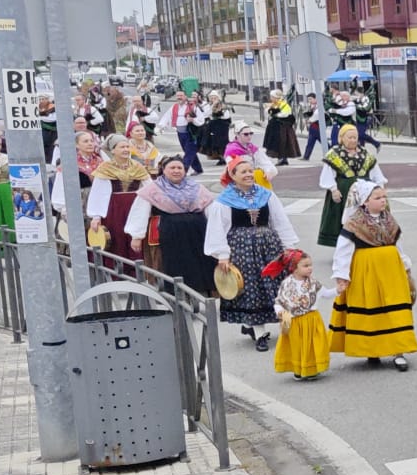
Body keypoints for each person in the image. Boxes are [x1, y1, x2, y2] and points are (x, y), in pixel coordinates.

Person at [204, 155, 300, 351]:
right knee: (251, 287)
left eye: (250, 171)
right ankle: (259, 332)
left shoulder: (267, 195)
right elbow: (217, 228)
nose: (249, 175)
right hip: (242, 248)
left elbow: (279, 220)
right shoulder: (223, 201)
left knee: (273, 285)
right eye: (243, 172)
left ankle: (257, 325)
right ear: (232, 175)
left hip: (269, 246)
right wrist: (222, 255)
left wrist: (288, 246)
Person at [329, 180, 417, 373]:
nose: (383, 200)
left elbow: (397, 244)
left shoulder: (389, 220)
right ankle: (373, 349)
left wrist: (405, 264)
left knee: (395, 307)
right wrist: (341, 274)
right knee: (371, 307)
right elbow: (343, 250)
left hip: (392, 271)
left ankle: (398, 350)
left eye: (384, 196)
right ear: (365, 202)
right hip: (366, 270)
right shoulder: (354, 223)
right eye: (377, 198)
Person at [125, 156, 214, 294]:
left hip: (197, 232)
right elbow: (140, 211)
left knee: (198, 263)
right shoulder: (152, 189)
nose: (176, 171)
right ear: (164, 170)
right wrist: (137, 235)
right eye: (172, 168)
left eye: (180, 168)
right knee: (172, 264)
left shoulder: (196, 187)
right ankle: (174, 294)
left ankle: (198, 291)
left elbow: (209, 208)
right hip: (169, 232)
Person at [85, 135, 152, 264]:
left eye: (127, 146)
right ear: (113, 150)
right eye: (122, 147)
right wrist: (96, 216)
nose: (126, 149)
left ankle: (137, 271)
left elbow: (149, 187)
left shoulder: (137, 167)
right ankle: (118, 272)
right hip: (114, 210)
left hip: (135, 207)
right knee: (117, 239)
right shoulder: (105, 168)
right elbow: (98, 193)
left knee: (135, 238)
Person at [315, 124, 383, 249]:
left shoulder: (365, 153)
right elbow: (328, 174)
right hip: (344, 193)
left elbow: (375, 172)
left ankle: (366, 242)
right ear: (342, 138)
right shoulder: (334, 154)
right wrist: (334, 190)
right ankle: (345, 247)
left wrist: (380, 187)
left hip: (365, 193)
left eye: (355, 137)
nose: (353, 140)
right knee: (344, 219)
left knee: (366, 217)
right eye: (350, 137)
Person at [269, 248, 330, 382]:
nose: (310, 268)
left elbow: (325, 293)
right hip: (294, 321)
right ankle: (298, 369)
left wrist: (338, 290)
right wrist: (280, 311)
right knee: (296, 346)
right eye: (306, 266)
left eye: (310, 265)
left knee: (311, 345)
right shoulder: (286, 284)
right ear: (294, 268)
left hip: (311, 319)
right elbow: (279, 301)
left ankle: (311, 369)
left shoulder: (313, 283)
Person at [163, 91, 203, 173]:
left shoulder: (193, 106)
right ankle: (198, 169)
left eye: (181, 95)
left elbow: (201, 120)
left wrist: (193, 120)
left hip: (191, 133)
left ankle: (183, 170)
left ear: (185, 96)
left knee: (189, 152)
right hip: (180, 133)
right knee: (189, 151)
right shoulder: (174, 107)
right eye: (177, 96)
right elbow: (166, 117)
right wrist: (161, 126)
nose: (179, 97)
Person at [263, 85, 299, 163]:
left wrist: (274, 113)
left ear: (276, 97)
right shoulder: (274, 104)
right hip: (275, 127)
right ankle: (281, 158)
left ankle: (283, 158)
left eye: (272, 97)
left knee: (282, 143)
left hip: (282, 127)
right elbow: (267, 112)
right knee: (278, 143)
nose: (271, 98)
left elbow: (285, 114)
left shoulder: (284, 104)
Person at [300, 92, 323, 161]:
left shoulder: (319, 106)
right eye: (308, 99)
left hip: (318, 127)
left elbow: (316, 116)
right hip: (312, 127)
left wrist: (309, 120)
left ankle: (332, 154)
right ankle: (306, 156)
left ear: (315, 98)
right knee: (310, 142)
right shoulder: (312, 106)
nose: (309, 101)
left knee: (323, 142)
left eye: (311, 99)